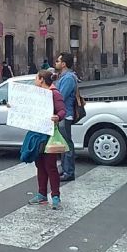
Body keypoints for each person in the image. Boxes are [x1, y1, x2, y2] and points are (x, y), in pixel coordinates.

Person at [22, 70, 66, 210]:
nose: (35, 80)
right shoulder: (38, 94)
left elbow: (62, 111)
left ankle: (55, 196)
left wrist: (57, 117)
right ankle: (42, 194)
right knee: (40, 165)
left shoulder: (54, 93)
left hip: (49, 134)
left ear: (41, 79)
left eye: (36, 78)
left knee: (50, 166)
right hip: (37, 133)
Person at [54, 52, 77, 182]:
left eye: (58, 61)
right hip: (62, 115)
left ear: (63, 64)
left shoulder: (68, 78)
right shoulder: (63, 77)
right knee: (63, 144)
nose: (56, 63)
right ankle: (65, 169)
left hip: (65, 115)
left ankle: (69, 172)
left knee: (67, 145)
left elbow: (61, 96)